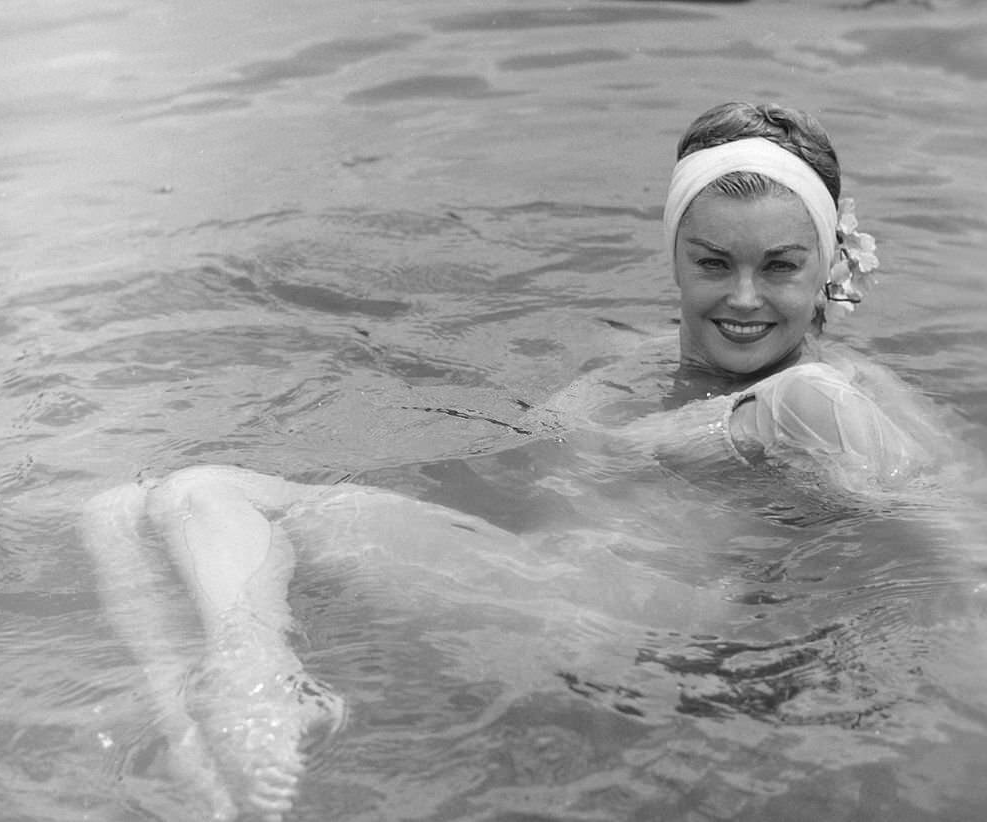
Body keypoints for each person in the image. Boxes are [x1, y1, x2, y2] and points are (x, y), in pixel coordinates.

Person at [81, 102, 952, 821]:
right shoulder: (632, 374)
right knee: (120, 508)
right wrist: (666, 432)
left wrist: (712, 430)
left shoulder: (824, 397)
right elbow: (533, 468)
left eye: (781, 266)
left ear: (832, 262)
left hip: (642, 635)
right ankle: (200, 725)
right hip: (550, 604)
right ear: (673, 259)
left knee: (205, 494)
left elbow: (953, 532)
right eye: (714, 263)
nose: (744, 297)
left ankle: (256, 673)